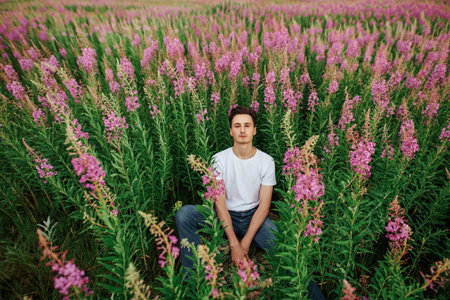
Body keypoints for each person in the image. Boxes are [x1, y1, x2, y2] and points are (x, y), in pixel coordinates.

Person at [175, 105, 325, 299]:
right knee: (184, 214)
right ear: (231, 131)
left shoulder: (266, 161)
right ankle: (193, 282)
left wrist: (243, 245)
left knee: (288, 254)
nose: (242, 130)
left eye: (247, 125)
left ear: (254, 130)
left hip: (255, 219)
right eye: (237, 125)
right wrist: (233, 243)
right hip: (223, 217)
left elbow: (264, 206)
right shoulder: (218, 159)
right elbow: (219, 204)